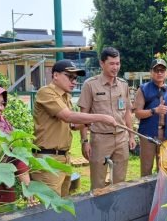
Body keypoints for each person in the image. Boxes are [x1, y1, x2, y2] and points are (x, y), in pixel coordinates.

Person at [31, 59, 117, 197]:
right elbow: (67, 116)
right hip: (47, 159)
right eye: (69, 76)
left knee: (63, 204)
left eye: (75, 78)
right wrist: (102, 117)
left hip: (63, 158)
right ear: (55, 75)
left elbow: (71, 125)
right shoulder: (46, 92)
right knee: (50, 210)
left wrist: (88, 122)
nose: (74, 81)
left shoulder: (65, 96)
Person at [78, 47, 136, 190]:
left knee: (120, 182)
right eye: (111, 63)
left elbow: (127, 112)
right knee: (98, 183)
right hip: (100, 139)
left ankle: (117, 210)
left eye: (117, 63)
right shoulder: (90, 85)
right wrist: (85, 141)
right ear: (101, 64)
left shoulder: (123, 85)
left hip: (121, 138)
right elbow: (83, 116)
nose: (115, 67)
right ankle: (97, 211)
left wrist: (131, 135)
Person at [134, 58, 167, 177]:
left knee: (164, 169)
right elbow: (137, 113)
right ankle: (146, 194)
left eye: (162, 70)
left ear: (166, 73)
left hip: (166, 134)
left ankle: (161, 195)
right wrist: (154, 111)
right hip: (148, 134)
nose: (159, 73)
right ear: (151, 72)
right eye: (156, 70)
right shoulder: (143, 89)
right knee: (146, 168)